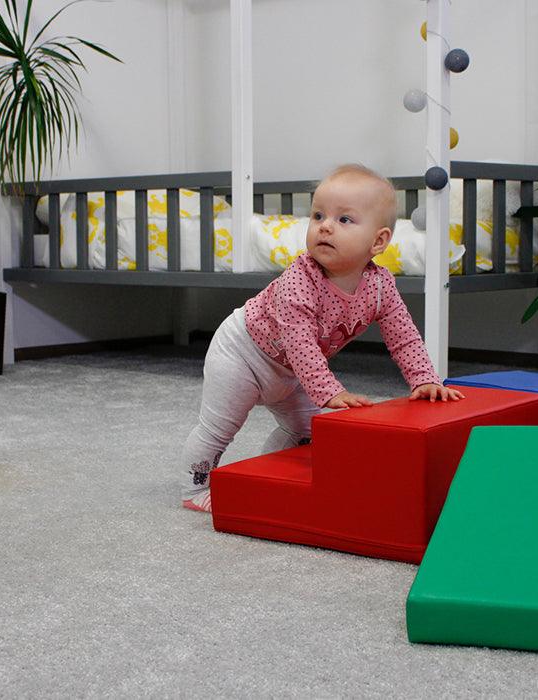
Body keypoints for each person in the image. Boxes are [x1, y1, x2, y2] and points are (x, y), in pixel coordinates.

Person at [181, 163, 464, 512]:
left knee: (306, 431)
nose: (325, 226)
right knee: (219, 429)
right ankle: (195, 488)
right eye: (318, 216)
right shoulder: (299, 279)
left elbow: (404, 337)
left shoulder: (380, 287)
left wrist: (424, 379)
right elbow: (299, 343)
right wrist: (330, 392)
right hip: (243, 354)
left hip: (292, 370)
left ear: (378, 241)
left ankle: (268, 474)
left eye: (344, 219)